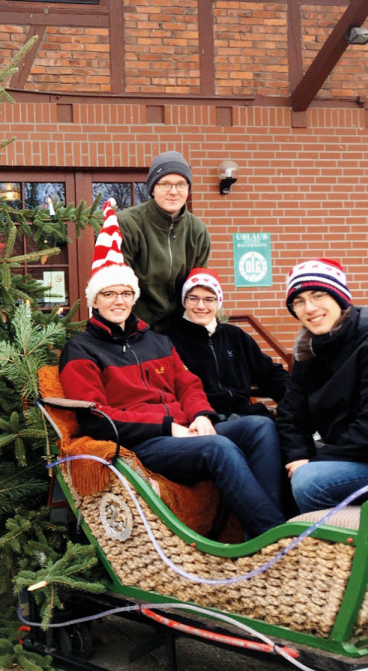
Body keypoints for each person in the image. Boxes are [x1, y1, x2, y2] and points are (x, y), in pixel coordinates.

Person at [59, 202, 285, 540]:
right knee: (218, 449)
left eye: (125, 293)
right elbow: (96, 418)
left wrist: (201, 416)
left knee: (259, 428)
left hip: (185, 430)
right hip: (142, 444)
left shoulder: (156, 340)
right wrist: (168, 426)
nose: (118, 300)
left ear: (134, 298)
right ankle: (274, 538)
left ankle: (264, 526)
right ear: (95, 300)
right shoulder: (81, 350)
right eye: (109, 294)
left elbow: (189, 384)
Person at [275, 259, 368, 514]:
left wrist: (315, 462)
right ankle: (274, 534)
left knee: (309, 480)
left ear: (339, 298)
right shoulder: (309, 351)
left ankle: (334, 543)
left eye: (318, 295)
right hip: (351, 454)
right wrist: (298, 456)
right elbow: (290, 416)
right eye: (299, 301)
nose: (309, 308)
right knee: (276, 456)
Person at [163, 268, 290, 420]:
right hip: (203, 420)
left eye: (209, 299)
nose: (201, 306)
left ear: (218, 303)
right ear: (184, 301)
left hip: (245, 415)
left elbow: (271, 375)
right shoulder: (168, 342)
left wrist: (295, 401)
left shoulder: (235, 336)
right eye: (193, 298)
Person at [118, 150, 211, 332]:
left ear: (188, 189)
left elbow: (198, 285)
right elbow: (119, 282)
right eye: (165, 184)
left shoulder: (197, 230)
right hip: (134, 327)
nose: (173, 191)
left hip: (181, 328)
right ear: (153, 188)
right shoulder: (128, 223)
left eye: (181, 184)